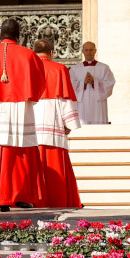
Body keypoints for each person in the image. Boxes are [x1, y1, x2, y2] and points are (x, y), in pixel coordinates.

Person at [0, 19, 46, 211]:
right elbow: (40, 83)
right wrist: (29, 99)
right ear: (18, 35)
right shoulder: (29, 55)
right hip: (20, 108)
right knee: (20, 152)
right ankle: (21, 195)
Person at [32, 39, 83, 209]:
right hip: (52, 124)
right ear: (52, 53)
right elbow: (65, 98)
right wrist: (69, 123)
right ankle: (58, 201)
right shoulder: (59, 69)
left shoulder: (27, 69)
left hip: (29, 127)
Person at [68, 42, 115, 125]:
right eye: (86, 50)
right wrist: (83, 83)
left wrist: (94, 82)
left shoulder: (104, 68)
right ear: (82, 51)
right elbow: (70, 85)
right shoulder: (75, 69)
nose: (89, 52)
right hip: (82, 104)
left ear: (95, 51)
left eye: (91, 50)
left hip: (98, 104)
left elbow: (110, 83)